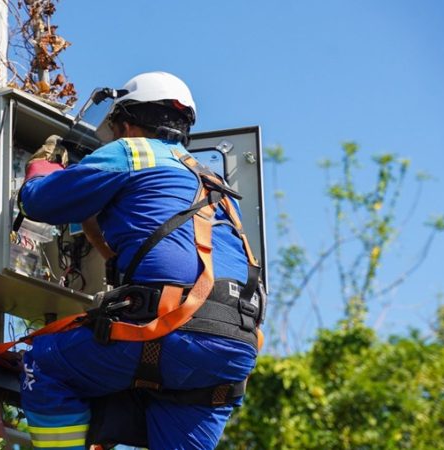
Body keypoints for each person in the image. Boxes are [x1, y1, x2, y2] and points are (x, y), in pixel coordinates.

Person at [17, 72, 261, 449]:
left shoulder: (130, 151)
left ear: (127, 123)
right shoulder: (212, 181)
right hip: (232, 349)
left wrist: (45, 167)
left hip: (169, 329)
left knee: (44, 363)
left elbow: (39, 201)